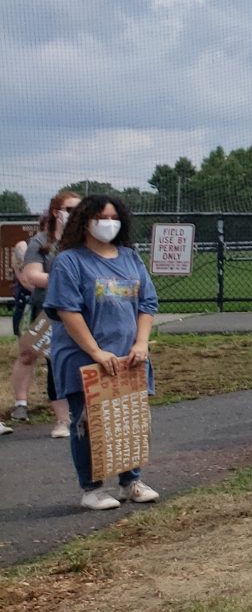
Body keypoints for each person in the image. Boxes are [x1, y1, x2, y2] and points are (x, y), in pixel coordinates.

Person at [43, 195, 161, 510]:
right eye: (101, 217)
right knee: (87, 421)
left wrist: (141, 342)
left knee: (128, 419)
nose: (108, 223)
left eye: (113, 217)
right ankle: (92, 488)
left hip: (128, 357)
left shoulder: (130, 258)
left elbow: (147, 303)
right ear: (85, 222)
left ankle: (130, 481)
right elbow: (68, 311)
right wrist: (95, 351)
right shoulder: (69, 261)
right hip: (84, 358)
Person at [10, 190, 78, 438]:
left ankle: (84, 414)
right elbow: (31, 276)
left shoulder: (84, 241)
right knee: (53, 361)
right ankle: (62, 419)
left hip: (81, 311)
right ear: (56, 212)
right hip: (49, 312)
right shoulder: (40, 243)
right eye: (70, 209)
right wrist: (68, 279)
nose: (75, 215)